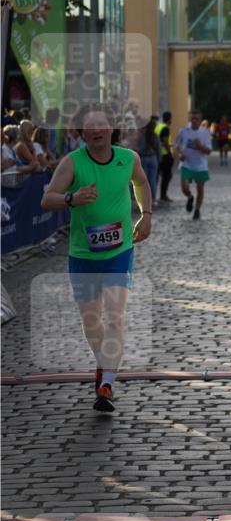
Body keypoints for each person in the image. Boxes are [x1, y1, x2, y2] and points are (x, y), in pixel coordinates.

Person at [41, 106, 152, 412]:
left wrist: (147, 215)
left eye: (102, 126)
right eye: (91, 128)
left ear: (111, 129)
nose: (98, 132)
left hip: (120, 250)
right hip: (83, 253)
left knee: (115, 316)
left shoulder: (128, 158)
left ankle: (107, 383)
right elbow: (47, 198)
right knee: (92, 321)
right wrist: (71, 199)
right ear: (82, 134)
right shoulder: (72, 163)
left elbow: (140, 183)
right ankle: (104, 365)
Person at [175, 110, 211, 220]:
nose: (194, 121)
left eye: (197, 119)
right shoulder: (183, 131)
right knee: (184, 187)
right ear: (190, 119)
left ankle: (197, 210)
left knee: (200, 188)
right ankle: (190, 197)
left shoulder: (205, 132)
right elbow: (177, 145)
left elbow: (208, 151)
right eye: (192, 118)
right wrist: (180, 154)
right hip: (187, 164)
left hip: (200, 165)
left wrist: (200, 146)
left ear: (201, 120)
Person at [135, 116, 161, 203]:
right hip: (153, 158)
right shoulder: (155, 136)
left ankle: (143, 199)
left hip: (143, 158)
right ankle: (153, 198)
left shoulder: (140, 136)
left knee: (143, 180)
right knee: (153, 179)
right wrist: (159, 159)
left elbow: (137, 148)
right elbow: (158, 149)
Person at [155, 111, 174, 201]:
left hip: (157, 154)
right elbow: (165, 142)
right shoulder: (165, 128)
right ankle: (163, 195)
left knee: (157, 176)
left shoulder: (158, 126)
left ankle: (154, 194)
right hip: (165, 155)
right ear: (169, 119)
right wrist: (170, 153)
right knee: (167, 176)